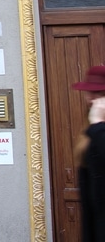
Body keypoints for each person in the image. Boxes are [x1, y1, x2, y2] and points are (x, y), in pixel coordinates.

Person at [71, 65, 105, 242]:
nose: (92, 100)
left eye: (99, 94)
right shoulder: (90, 132)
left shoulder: (97, 130)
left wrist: (98, 126)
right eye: (89, 93)